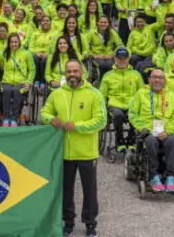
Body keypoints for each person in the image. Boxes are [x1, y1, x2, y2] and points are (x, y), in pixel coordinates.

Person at [40, 59, 106, 237]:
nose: (72, 75)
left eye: (75, 71)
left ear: (82, 73)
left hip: (86, 152)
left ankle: (90, 223)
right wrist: (50, 119)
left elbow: (101, 121)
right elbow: (44, 112)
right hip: (64, 152)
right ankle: (68, 221)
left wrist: (77, 126)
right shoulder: (57, 94)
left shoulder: (94, 94)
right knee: (66, 190)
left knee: (89, 190)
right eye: (69, 71)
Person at [129, 68, 174, 193]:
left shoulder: (172, 96)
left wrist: (168, 131)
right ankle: (153, 176)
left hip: (166, 132)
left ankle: (170, 177)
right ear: (149, 80)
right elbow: (132, 114)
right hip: (148, 132)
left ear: (165, 81)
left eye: (160, 77)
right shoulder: (141, 94)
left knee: (173, 141)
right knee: (151, 141)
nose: (157, 80)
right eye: (154, 77)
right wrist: (143, 129)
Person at [100, 47, 144, 152]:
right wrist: (103, 108)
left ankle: (131, 141)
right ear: (115, 59)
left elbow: (142, 92)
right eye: (120, 58)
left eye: (124, 58)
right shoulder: (108, 76)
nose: (122, 61)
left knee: (133, 115)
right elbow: (101, 95)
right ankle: (120, 142)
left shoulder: (136, 75)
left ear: (128, 59)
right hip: (114, 105)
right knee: (118, 115)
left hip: (132, 105)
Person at [0, 33, 35, 127]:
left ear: (19, 42)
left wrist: (29, 82)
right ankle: (6, 118)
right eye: (11, 42)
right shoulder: (4, 54)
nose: (13, 44)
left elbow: (32, 69)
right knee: (6, 91)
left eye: (15, 42)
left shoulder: (26, 54)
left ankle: (14, 119)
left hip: (21, 82)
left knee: (17, 91)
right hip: (7, 81)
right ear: (8, 43)